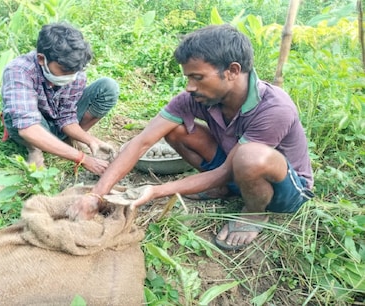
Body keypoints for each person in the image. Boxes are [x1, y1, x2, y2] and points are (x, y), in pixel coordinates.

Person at [67, 24, 315, 251]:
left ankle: (254, 212)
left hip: (284, 191)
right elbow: (142, 141)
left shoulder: (274, 107)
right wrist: (96, 195)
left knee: (249, 157)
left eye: (197, 77)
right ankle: (223, 191)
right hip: (233, 171)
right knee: (175, 129)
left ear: (232, 71)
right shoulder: (197, 98)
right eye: (188, 77)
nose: (189, 86)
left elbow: (228, 169)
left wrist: (155, 191)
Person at [1, 22, 119, 175]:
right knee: (13, 116)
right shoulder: (19, 71)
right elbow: (28, 128)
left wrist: (91, 140)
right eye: (64, 71)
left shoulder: (74, 70)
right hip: (35, 125)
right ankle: (35, 148)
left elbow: (67, 115)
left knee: (108, 87)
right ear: (42, 59)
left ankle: (67, 140)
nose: (70, 77)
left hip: (56, 122)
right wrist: (82, 158)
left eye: (74, 71)